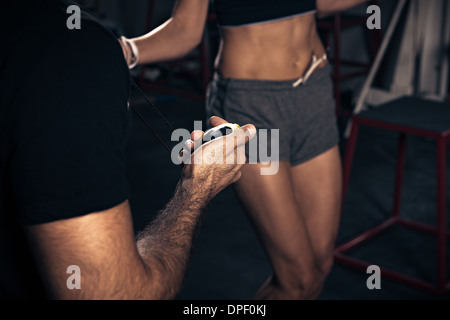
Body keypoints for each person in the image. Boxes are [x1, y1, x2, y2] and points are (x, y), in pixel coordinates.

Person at [0, 0, 255, 299]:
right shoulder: (68, 50)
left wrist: (117, 50)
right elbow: (117, 295)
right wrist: (197, 186)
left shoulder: (59, 41)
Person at [121, 0, 371, 299]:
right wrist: (126, 51)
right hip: (254, 108)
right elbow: (185, 30)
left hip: (314, 92)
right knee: (298, 279)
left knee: (320, 264)